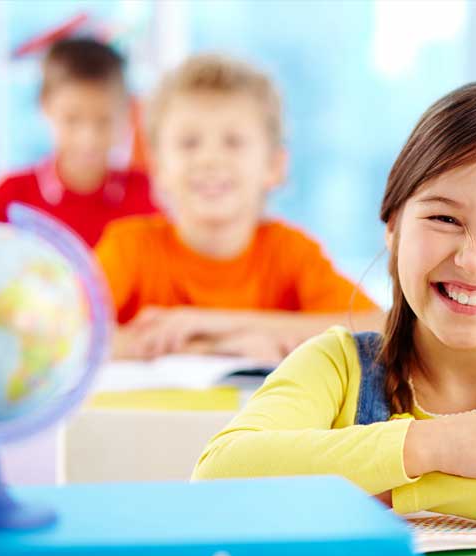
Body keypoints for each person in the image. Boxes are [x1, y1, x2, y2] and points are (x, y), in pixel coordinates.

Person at [193, 81, 476, 530]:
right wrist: (437, 444)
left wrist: (406, 486)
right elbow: (219, 474)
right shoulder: (339, 365)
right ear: (394, 229)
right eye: (444, 218)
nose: (474, 259)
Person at [95, 54, 382, 361]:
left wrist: (217, 324)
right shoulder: (129, 247)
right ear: (159, 167)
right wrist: (211, 348)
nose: (210, 158)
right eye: (189, 143)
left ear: (274, 165)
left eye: (233, 142)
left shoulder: (291, 253)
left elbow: (382, 329)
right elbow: (68, 333)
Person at [0, 37, 156, 246]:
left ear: (127, 110)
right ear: (45, 105)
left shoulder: (147, 195)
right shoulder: (12, 197)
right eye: (72, 119)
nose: (88, 138)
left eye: (103, 120)